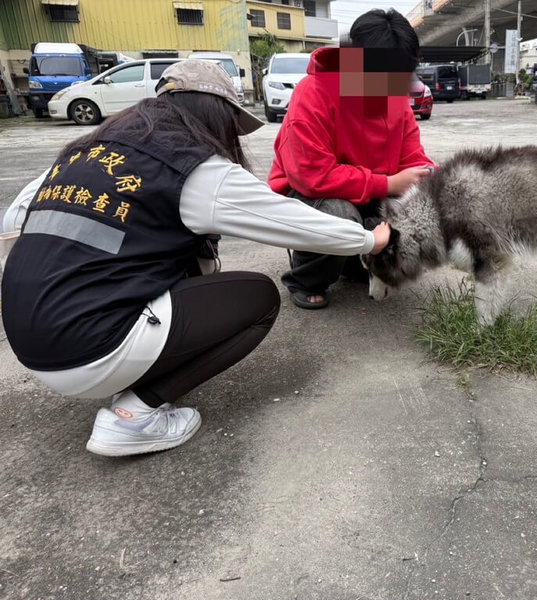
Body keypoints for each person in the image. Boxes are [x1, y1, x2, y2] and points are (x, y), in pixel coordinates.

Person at [0, 60, 390, 457]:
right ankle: (134, 416)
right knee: (256, 297)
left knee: (175, 250)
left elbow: (13, 221)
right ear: (214, 113)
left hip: (27, 342)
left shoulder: (86, 150)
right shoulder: (193, 166)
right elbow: (293, 222)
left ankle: (126, 364)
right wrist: (368, 240)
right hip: (89, 351)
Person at [268, 8, 435, 310]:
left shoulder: (395, 101)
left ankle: (355, 261)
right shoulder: (313, 93)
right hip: (312, 195)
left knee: (417, 212)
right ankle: (305, 277)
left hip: (370, 192)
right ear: (355, 63)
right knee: (340, 216)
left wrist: (432, 178)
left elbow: (413, 159)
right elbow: (311, 176)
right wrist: (387, 183)